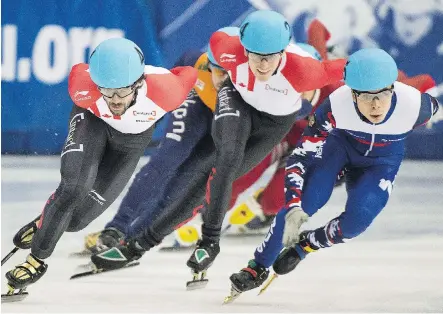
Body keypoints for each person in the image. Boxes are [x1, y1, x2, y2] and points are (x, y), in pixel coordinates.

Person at [90, 10, 347, 285]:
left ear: (284, 53)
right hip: (232, 100)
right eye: (255, 55)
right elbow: (185, 64)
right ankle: (206, 241)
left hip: (271, 124)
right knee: (212, 161)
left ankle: (138, 244)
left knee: (206, 182)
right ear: (243, 48)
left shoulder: (308, 72)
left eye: (269, 57)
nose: (261, 66)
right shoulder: (223, 48)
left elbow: (365, 72)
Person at [227, 48, 440, 299]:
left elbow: (427, 91)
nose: (375, 104)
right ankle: (257, 266)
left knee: (357, 221)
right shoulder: (336, 103)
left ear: (393, 89)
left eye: (382, 95)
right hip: (340, 151)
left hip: (381, 164)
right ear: (351, 93)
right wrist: (293, 202)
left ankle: (306, 246)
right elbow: (300, 156)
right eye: (365, 96)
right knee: (304, 204)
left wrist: (305, 245)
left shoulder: (417, 105)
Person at [4, 37, 197, 298]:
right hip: (92, 124)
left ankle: (43, 222)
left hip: (130, 144)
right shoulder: (83, 86)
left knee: (76, 222)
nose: (114, 100)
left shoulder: (167, 90)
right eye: (106, 90)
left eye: (122, 91)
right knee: (73, 188)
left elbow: (191, 69)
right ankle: (35, 261)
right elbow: (82, 70)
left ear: (139, 82)